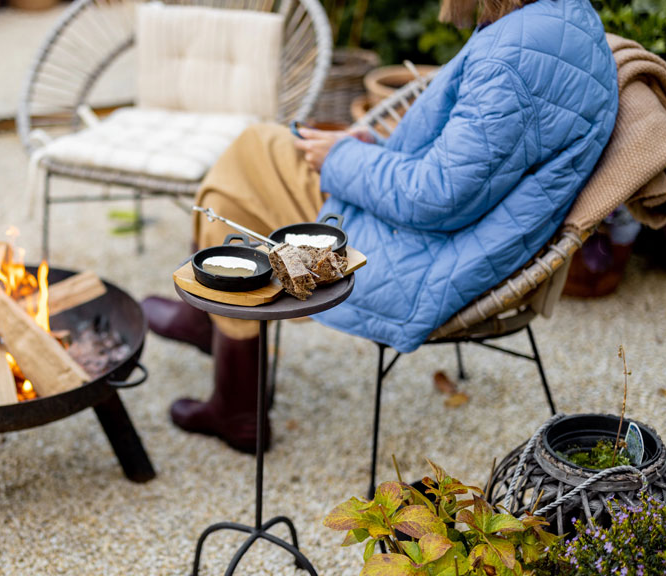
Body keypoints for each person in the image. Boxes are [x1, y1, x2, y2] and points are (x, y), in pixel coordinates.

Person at [142, 0, 618, 453]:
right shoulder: (561, 20)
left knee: (244, 164)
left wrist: (343, 157)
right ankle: (222, 346)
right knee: (250, 163)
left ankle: (228, 368)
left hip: (417, 255)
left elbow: (437, 197)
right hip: (451, 237)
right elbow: (474, 161)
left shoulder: (511, 59)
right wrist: (373, 145)